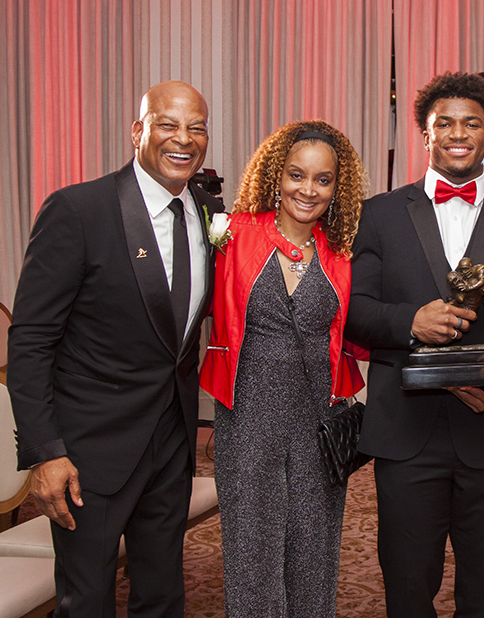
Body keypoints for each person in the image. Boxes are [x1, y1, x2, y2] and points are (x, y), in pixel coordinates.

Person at [346, 71, 484, 617]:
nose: (458, 134)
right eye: (445, 123)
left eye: (472, 123)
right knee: (407, 587)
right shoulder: (379, 214)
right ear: (426, 134)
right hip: (405, 434)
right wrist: (410, 322)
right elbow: (353, 312)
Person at [7, 81, 222, 616]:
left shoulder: (208, 211)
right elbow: (31, 339)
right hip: (89, 453)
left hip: (172, 445)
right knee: (86, 600)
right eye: (167, 124)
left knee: (163, 594)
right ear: (137, 131)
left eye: (197, 127)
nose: (184, 138)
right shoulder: (79, 210)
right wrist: (45, 451)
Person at [199, 120, 366, 617]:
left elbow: (364, 329)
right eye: (297, 175)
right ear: (277, 175)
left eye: (322, 179)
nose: (308, 190)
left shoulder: (344, 251)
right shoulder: (232, 234)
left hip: (319, 420)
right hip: (247, 419)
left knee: (315, 556)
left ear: (337, 187)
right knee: (252, 561)